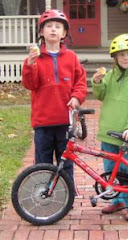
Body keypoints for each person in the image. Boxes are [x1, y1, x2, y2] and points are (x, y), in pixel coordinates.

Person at [22, 9, 87, 186]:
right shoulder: (35, 58)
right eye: (48, 26)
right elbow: (30, 84)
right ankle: (44, 193)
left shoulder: (71, 57)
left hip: (65, 120)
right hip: (43, 121)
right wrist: (30, 65)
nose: (53, 30)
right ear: (41, 32)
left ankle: (67, 194)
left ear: (64, 33)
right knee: (43, 162)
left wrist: (76, 97)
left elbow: (80, 82)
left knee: (65, 161)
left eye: (58, 27)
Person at [91, 33, 128, 221]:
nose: (127, 58)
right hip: (108, 133)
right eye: (122, 55)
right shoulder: (110, 76)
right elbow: (100, 95)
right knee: (110, 171)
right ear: (115, 58)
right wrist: (98, 82)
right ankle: (117, 201)